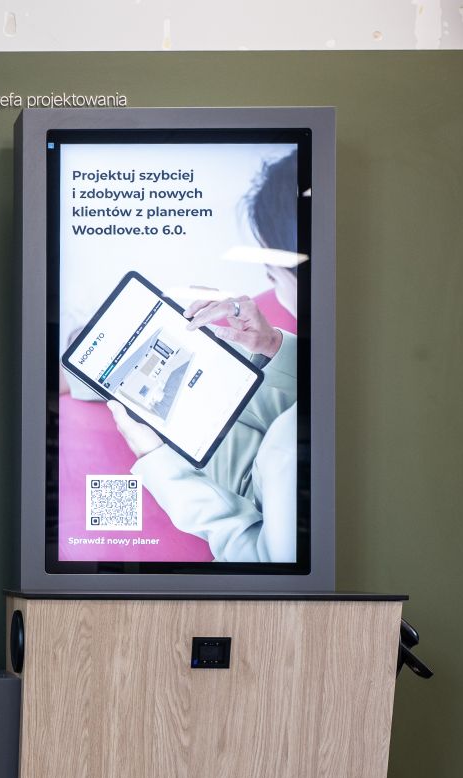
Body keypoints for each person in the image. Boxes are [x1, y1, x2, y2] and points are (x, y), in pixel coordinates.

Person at [104, 150, 301, 562]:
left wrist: (156, 462)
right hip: (270, 435)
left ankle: (83, 371)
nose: (271, 283)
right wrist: (272, 345)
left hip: (259, 487)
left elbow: (263, 565)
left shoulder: (286, 451)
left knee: (134, 384)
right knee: (187, 351)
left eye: (273, 274)